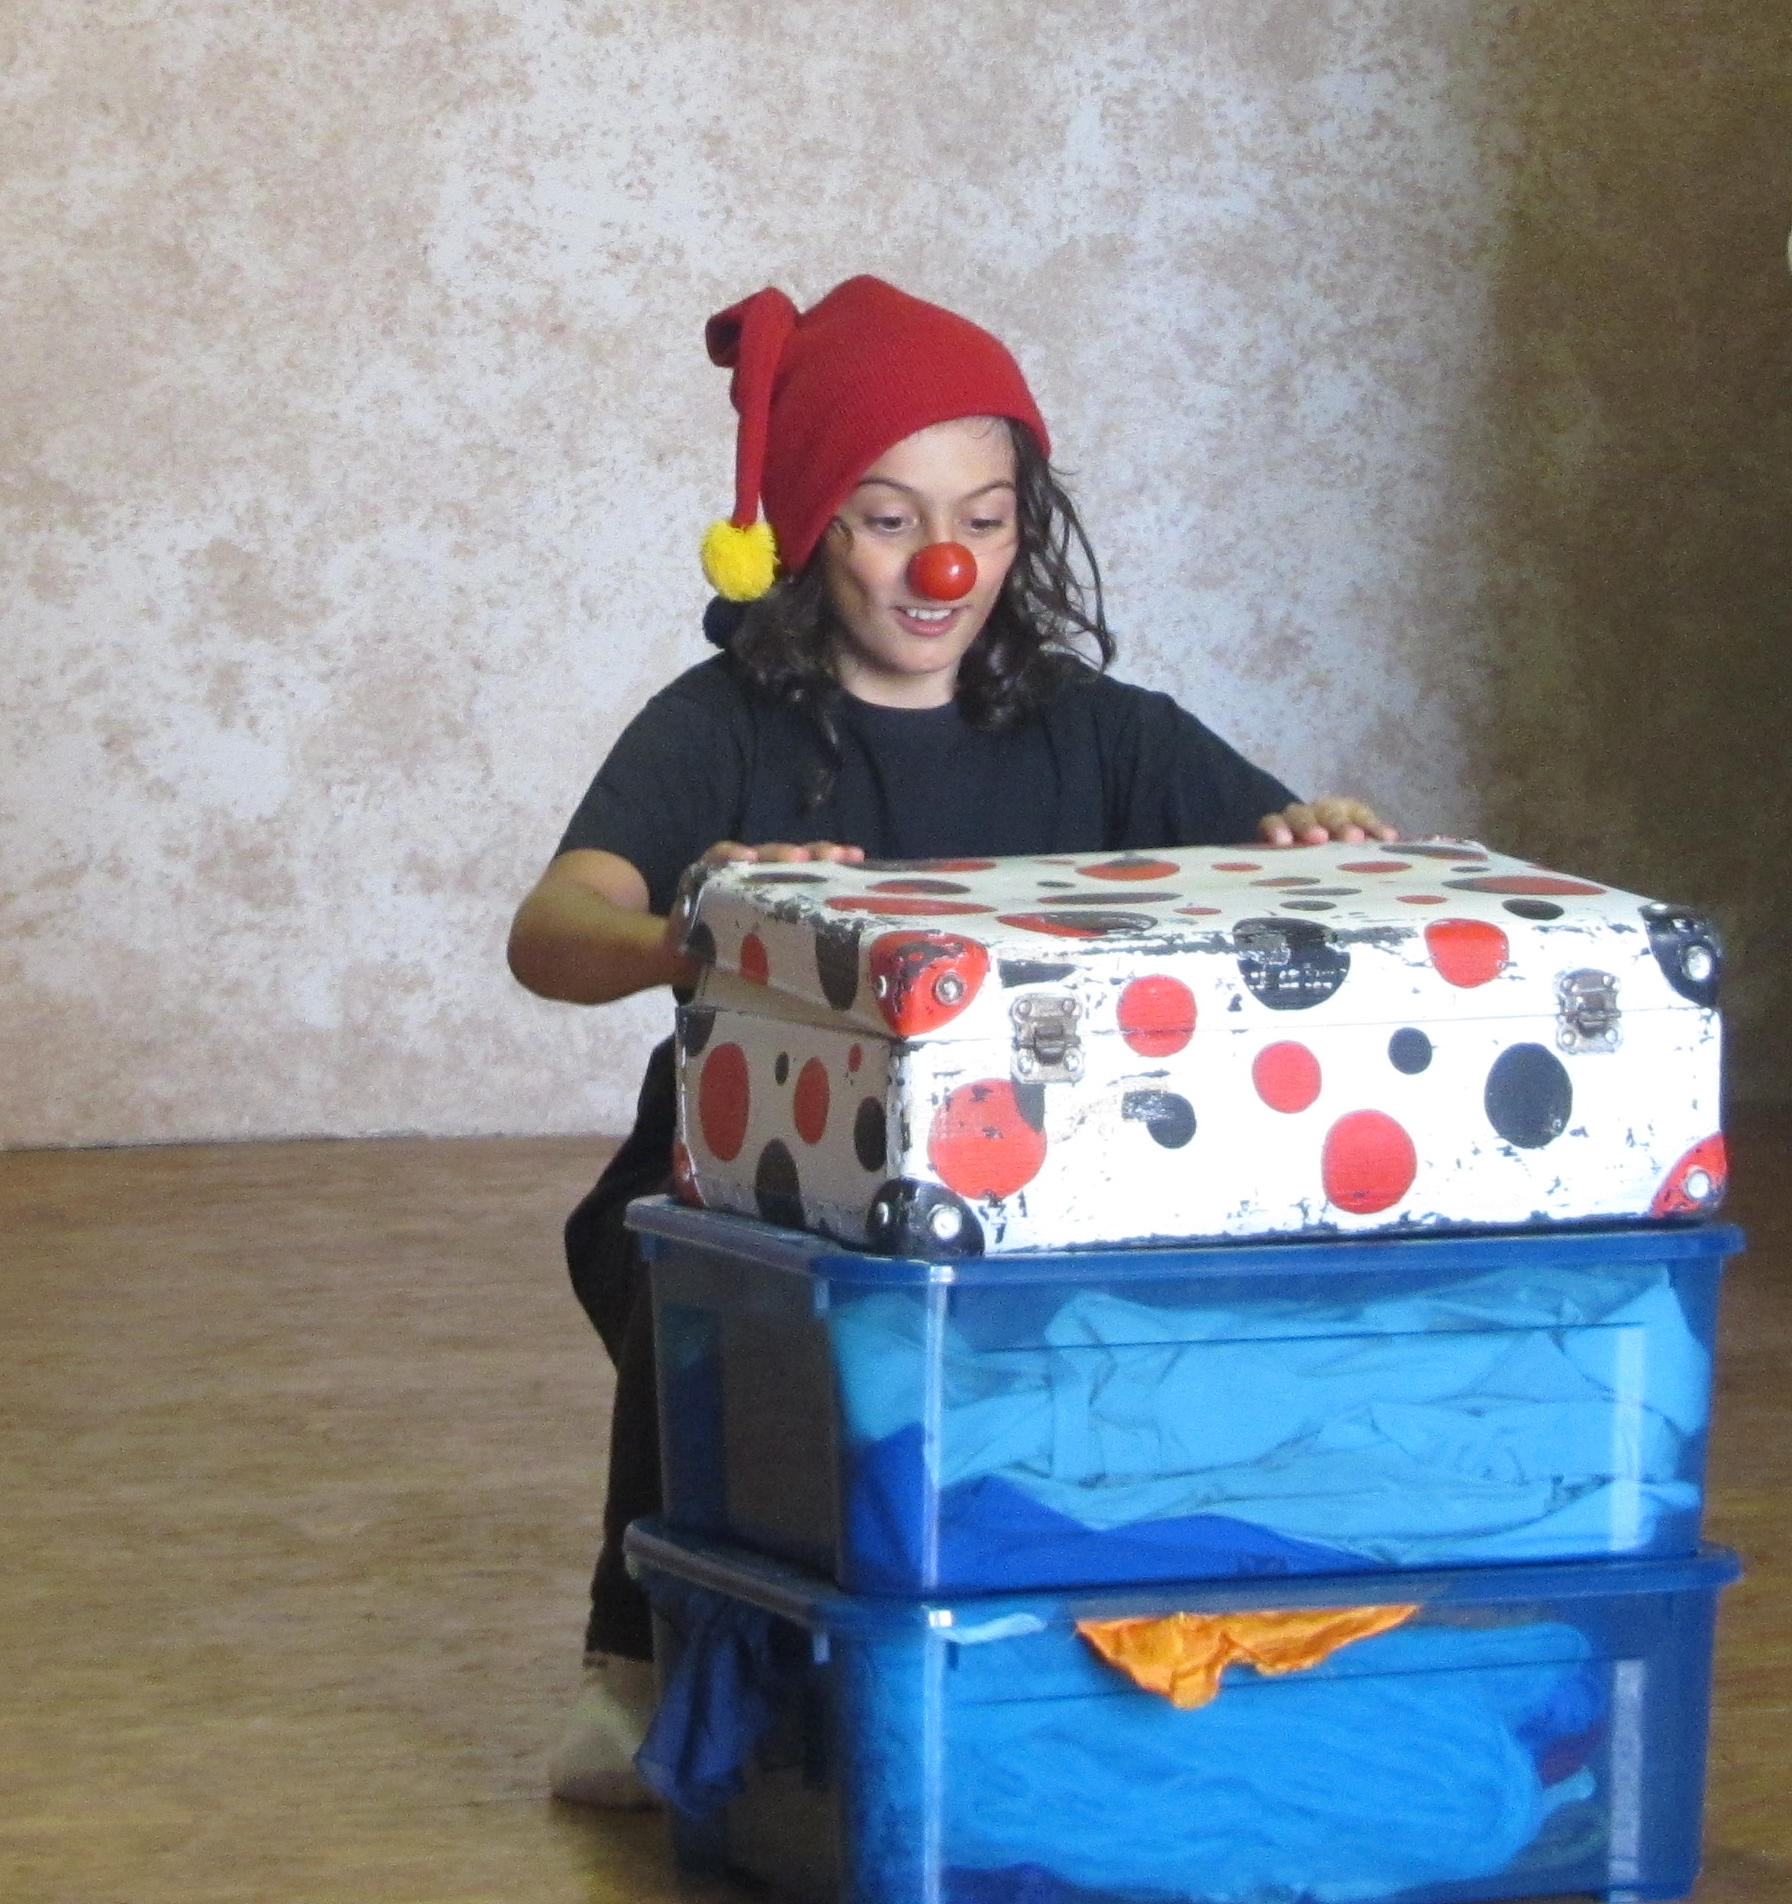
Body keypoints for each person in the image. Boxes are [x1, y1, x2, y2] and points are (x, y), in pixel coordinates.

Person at [506, 276, 1389, 1806]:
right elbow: (550, 928)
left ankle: (1085, 1637)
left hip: (1032, 1185)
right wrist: (688, 929)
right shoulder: (720, 724)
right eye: (888, 519)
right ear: (805, 530)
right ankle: (633, 1656)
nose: (945, 564)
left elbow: (1280, 863)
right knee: (696, 1263)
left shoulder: (1103, 732)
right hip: (752, 1187)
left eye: (984, 517)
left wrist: (1314, 841)